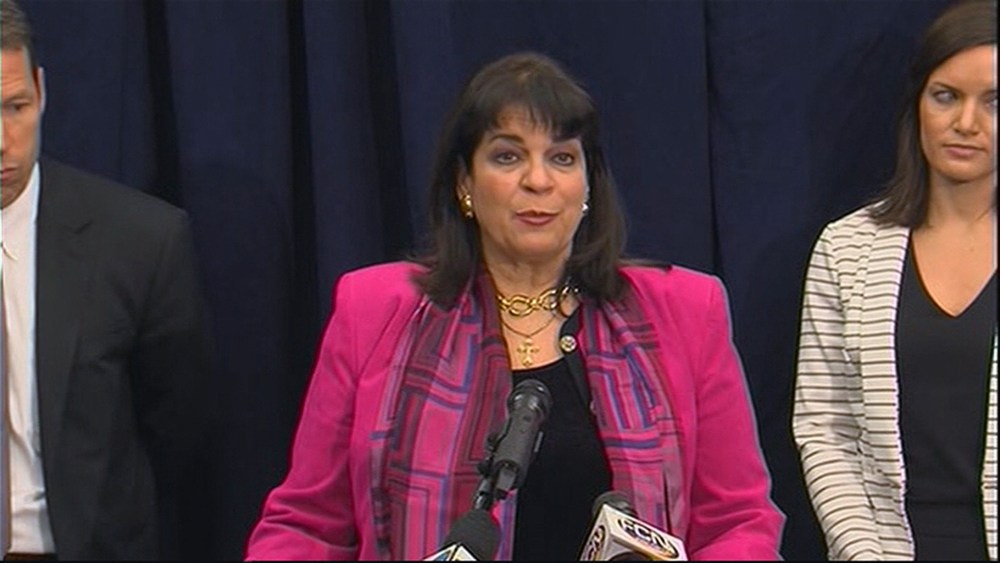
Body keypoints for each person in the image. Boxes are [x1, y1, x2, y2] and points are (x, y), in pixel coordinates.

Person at [245, 51, 784, 561]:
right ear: (465, 183)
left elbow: (737, 522)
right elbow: (307, 525)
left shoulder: (685, 310)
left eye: (562, 157)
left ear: (587, 185)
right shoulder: (374, 311)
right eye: (508, 156)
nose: (538, 180)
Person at [0, 0, 213, 559]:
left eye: (15, 107)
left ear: (41, 91)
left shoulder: (139, 242)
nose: (2, 140)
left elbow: (177, 429)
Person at [792, 0, 997, 560]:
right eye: (946, 96)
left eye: (994, 102)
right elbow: (824, 427)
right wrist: (863, 552)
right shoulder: (846, 248)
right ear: (917, 103)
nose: (965, 123)